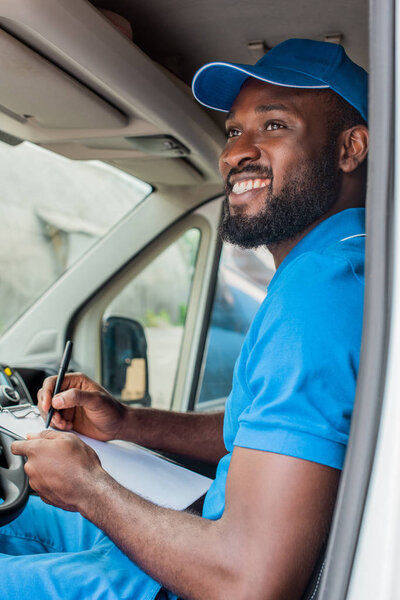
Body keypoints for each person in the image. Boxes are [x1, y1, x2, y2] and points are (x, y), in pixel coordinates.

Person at [2, 38, 368, 600]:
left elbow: (251, 583)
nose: (235, 154)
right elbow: (259, 439)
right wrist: (126, 423)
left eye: (274, 126)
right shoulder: (347, 263)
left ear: (351, 147)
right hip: (195, 549)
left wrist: (91, 488)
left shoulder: (319, 295)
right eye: (233, 131)